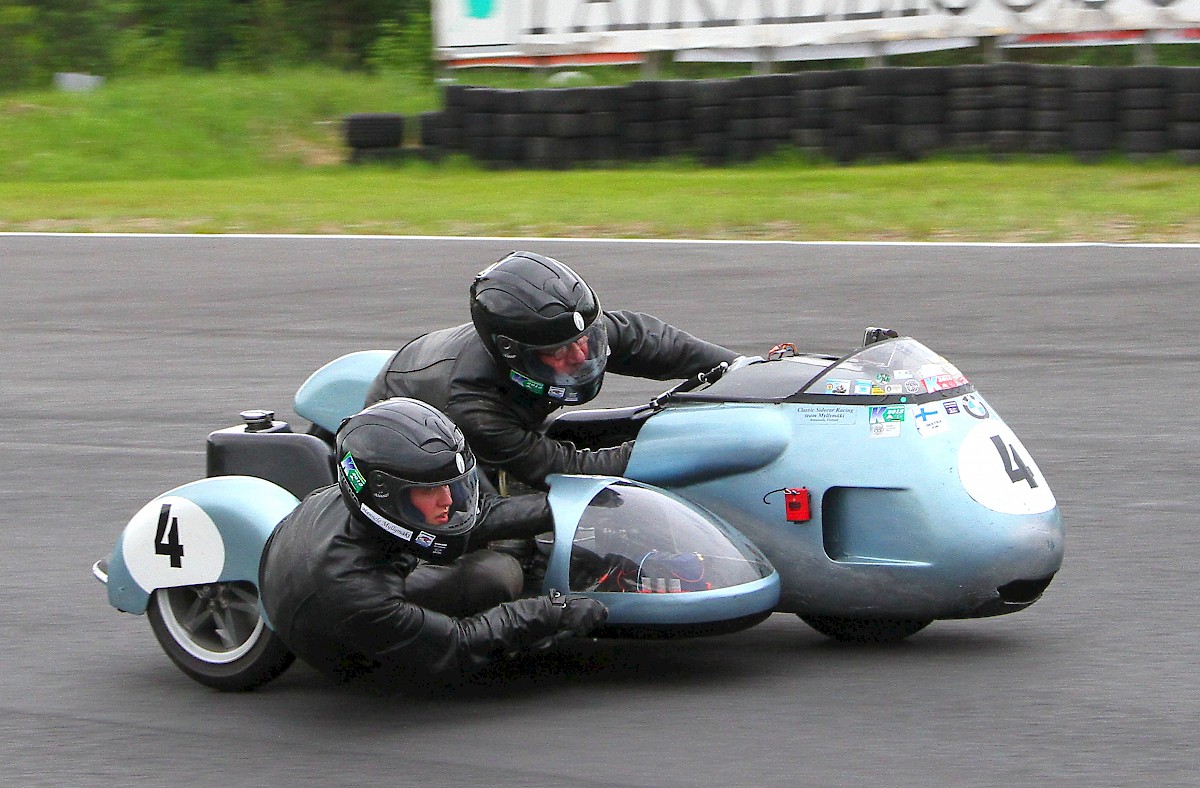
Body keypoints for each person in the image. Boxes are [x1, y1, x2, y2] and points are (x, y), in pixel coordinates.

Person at [258, 397, 608, 685]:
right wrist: (552, 610)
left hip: (349, 571)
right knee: (496, 574)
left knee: (478, 536)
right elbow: (459, 642)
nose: (447, 500)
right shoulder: (357, 591)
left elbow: (479, 514)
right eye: (430, 489)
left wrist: (571, 508)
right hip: (358, 654)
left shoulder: (366, 505)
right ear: (385, 493)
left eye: (451, 485)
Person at [365, 251, 749, 489]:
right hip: (423, 436)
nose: (582, 357)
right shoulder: (473, 405)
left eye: (587, 340)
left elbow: (657, 343)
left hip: (503, 414)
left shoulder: (570, 331)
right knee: (503, 533)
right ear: (512, 353)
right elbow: (561, 468)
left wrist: (742, 370)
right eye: (561, 351)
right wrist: (670, 450)